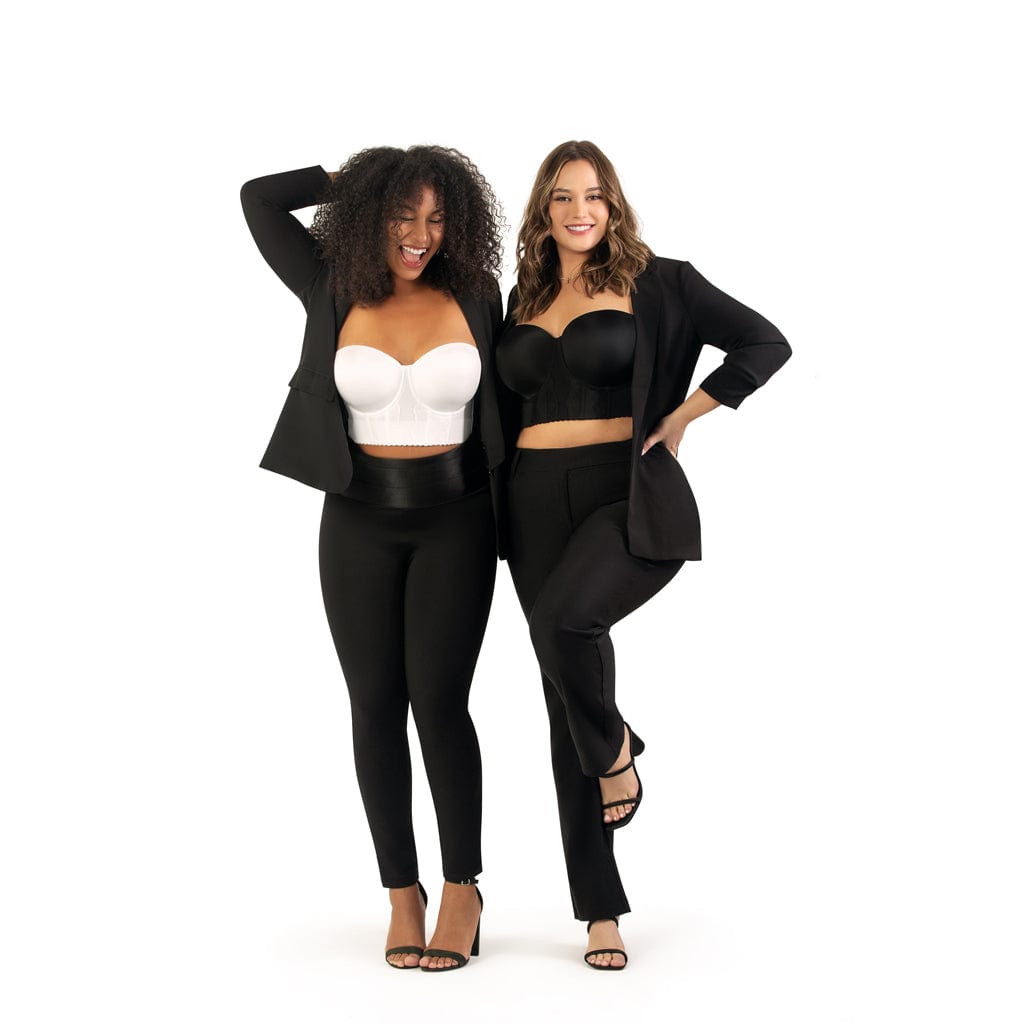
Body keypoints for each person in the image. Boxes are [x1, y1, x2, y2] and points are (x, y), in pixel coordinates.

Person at [496, 140, 791, 970]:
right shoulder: (525, 293)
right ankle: (600, 913)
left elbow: (765, 344)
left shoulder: (663, 282)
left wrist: (686, 415)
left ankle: (616, 750)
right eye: (562, 197)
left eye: (593, 195)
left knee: (563, 628)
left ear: (613, 203)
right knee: (562, 695)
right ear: (543, 210)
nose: (578, 210)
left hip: (620, 492)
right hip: (530, 499)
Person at [240, 146, 505, 971]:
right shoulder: (328, 284)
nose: (420, 234)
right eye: (401, 214)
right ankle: (401, 893)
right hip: (357, 521)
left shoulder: (477, 294)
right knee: (374, 705)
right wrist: (350, 182)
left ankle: (461, 887)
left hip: (458, 520)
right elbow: (258, 198)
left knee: (441, 704)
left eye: (436, 217)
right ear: (369, 218)